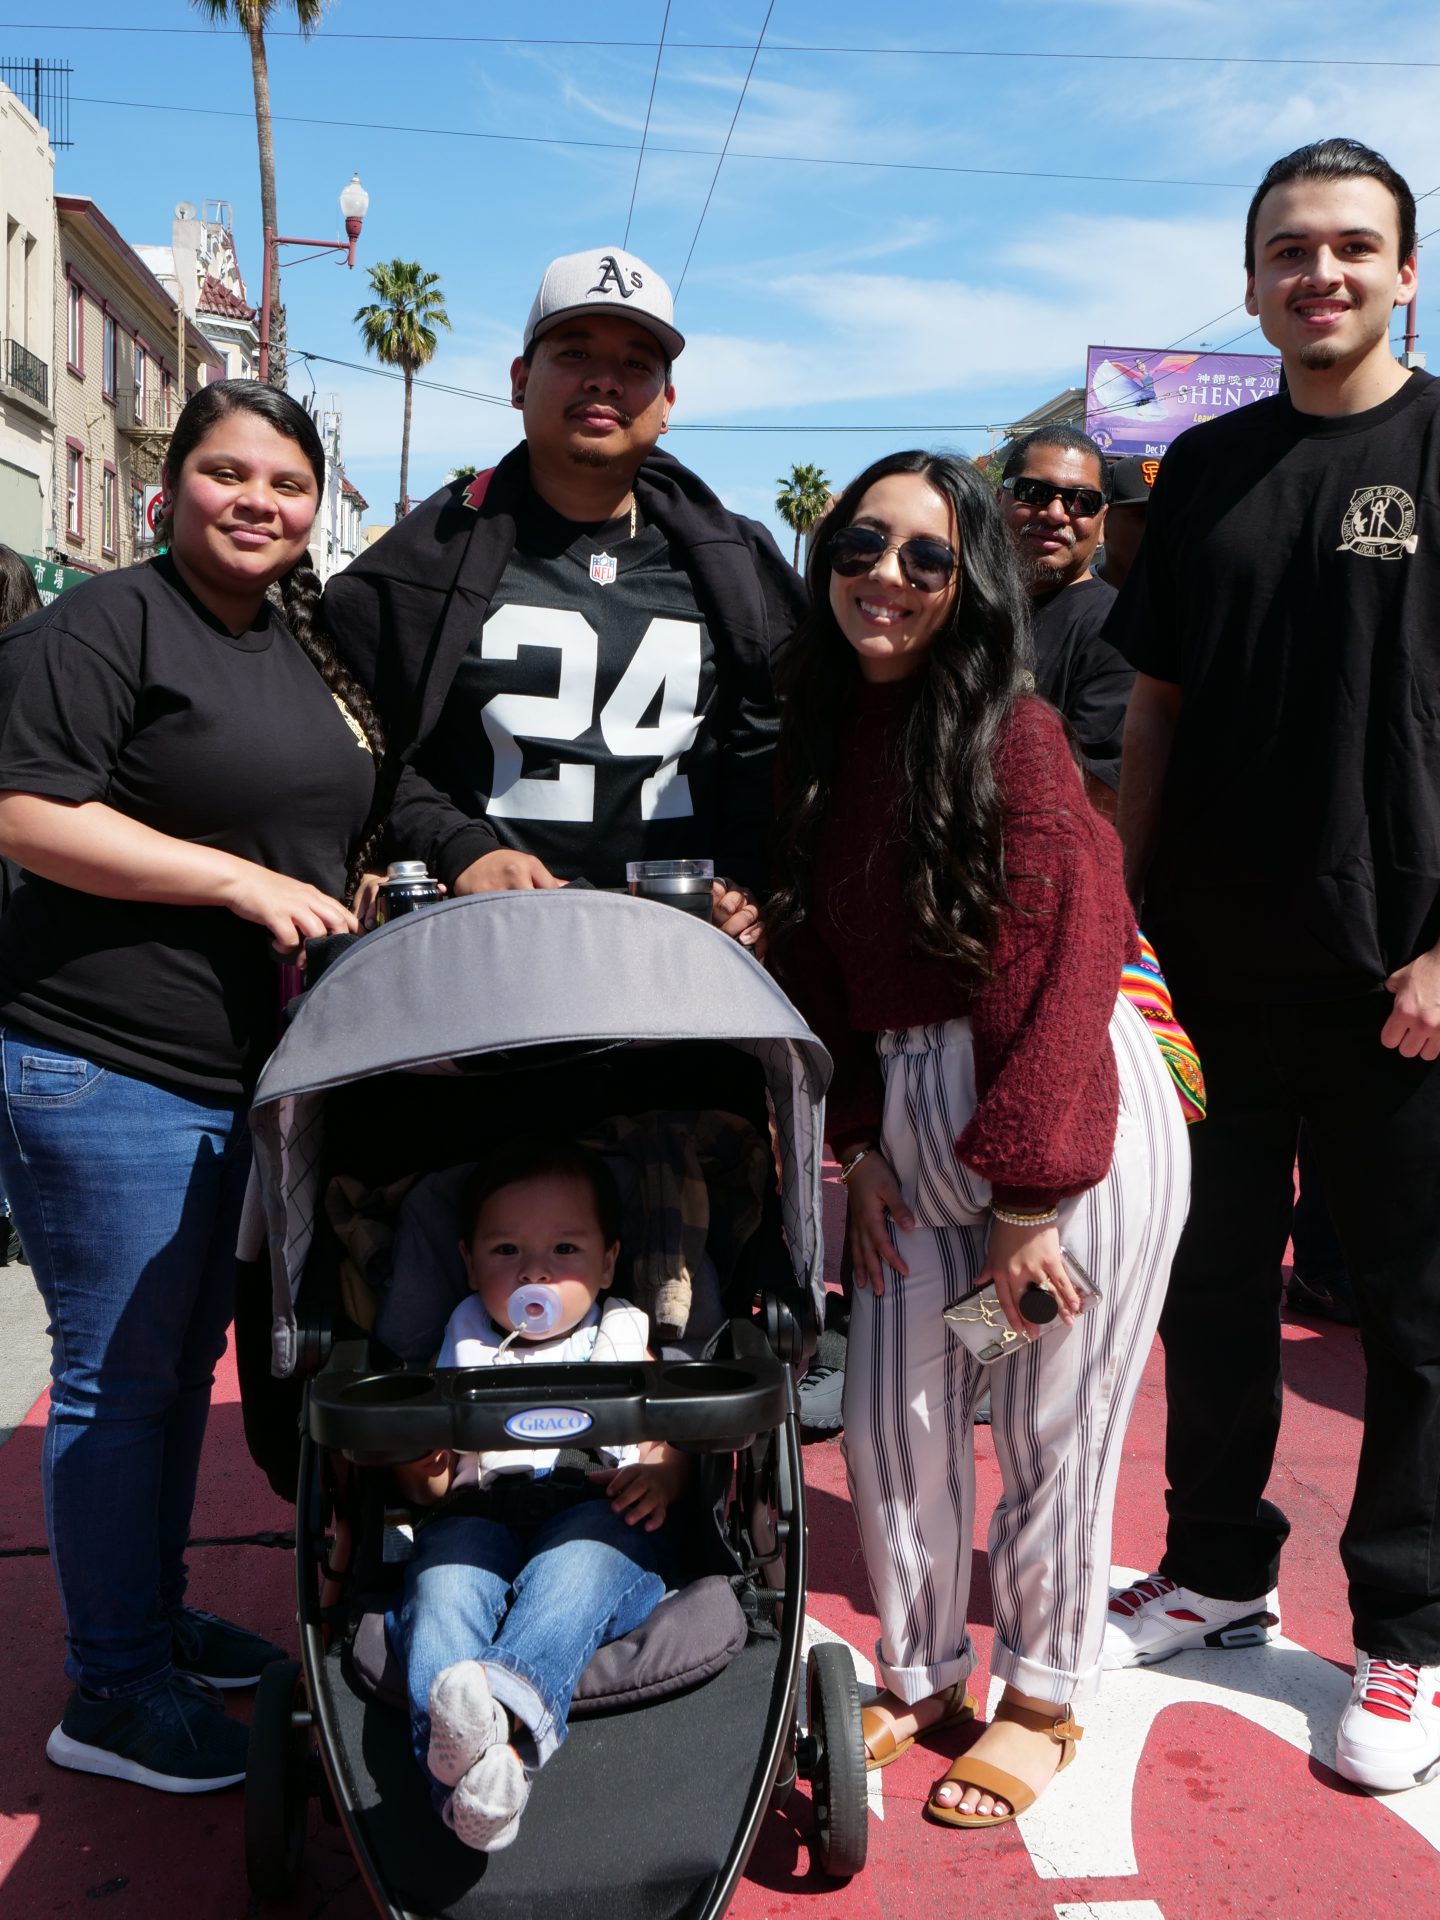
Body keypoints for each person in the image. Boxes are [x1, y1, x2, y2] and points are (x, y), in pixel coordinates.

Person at [769, 450, 1189, 1829]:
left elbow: (1070, 958)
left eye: (927, 559)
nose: (886, 578)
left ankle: (1048, 1696)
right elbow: (831, 976)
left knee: (1055, 1431)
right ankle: (928, 1671)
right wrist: (861, 1141)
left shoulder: (1014, 733)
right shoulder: (831, 739)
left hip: (1066, 1124)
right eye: (861, 547)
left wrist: (1029, 1191)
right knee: (895, 1418)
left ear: (971, 586)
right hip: (915, 1122)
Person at [1101, 137, 1440, 1795]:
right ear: (1250, 284)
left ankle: (1413, 1638)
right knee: (1210, 1292)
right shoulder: (1206, 474)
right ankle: (1220, 1571)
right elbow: (1153, 716)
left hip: (1406, 985)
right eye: (1290, 252)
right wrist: (1113, 918)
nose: (1321, 275)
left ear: (1406, 269)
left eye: (1354, 249)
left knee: (1418, 1323)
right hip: (1211, 982)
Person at [0, 380, 378, 1792]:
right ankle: (108, 1691)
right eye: (226, 473)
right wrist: (238, 882)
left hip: (245, 1074)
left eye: (284, 481)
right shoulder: (104, 623)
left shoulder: (293, 640)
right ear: (169, 488)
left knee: (176, 1370)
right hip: (103, 1061)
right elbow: (25, 811)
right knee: (117, 1381)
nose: (256, 501)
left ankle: (148, 1628)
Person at [324, 245, 805, 942]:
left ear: (666, 404)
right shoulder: (425, 562)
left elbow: (772, 752)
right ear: (520, 380)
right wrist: (462, 850)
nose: (604, 382)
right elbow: (360, 753)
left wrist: (743, 880)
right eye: (575, 354)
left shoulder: (737, 568)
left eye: (637, 365)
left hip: (677, 959)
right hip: (485, 953)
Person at [386, 1139, 685, 1852]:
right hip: (477, 1510)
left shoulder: (620, 1330)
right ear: (468, 1260)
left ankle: (495, 1723)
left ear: (608, 1261)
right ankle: (489, 1772)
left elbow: (667, 1434)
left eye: (565, 1249)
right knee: (443, 1582)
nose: (535, 1270)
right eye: (507, 1250)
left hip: (593, 1508)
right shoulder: (461, 1339)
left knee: (580, 1568)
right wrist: (412, 1452)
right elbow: (430, 1486)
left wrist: (663, 1473)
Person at [998, 426, 1135, 810]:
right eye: (1034, 493)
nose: (1056, 513)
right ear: (999, 500)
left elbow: (1094, 793)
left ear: (1103, 522)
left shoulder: (1115, 627)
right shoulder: (957, 607)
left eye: (1083, 501)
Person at [1094, 454, 1158, 591]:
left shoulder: (1188, 599)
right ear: (1102, 522)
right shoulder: (1075, 600)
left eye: (1167, 515)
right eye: (1142, 515)